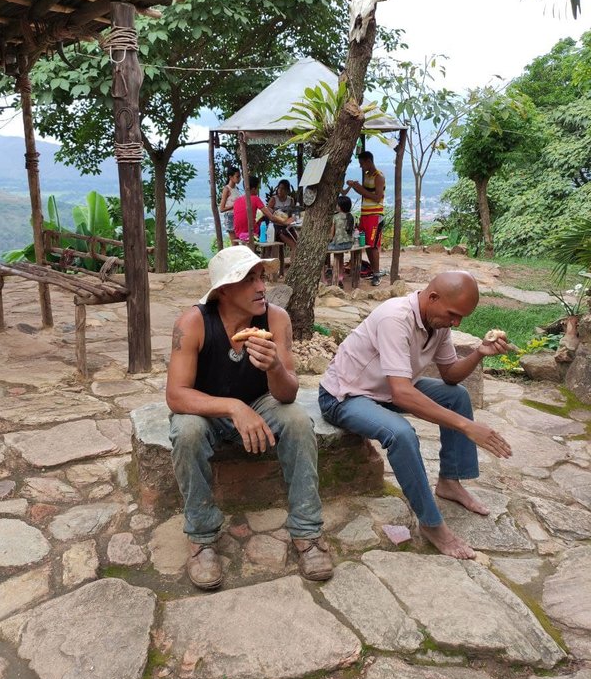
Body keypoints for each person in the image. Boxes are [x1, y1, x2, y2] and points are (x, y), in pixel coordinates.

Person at [166, 244, 334, 589]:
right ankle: (202, 537)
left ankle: (308, 532)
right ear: (224, 290)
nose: (261, 287)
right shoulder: (194, 323)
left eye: (261, 278)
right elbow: (176, 395)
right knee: (186, 430)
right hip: (209, 410)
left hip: (261, 403)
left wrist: (274, 367)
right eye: (249, 280)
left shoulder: (275, 319)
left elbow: (286, 394)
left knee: (299, 421)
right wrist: (232, 406)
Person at [318, 271, 513, 560]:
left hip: (388, 389)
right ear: (432, 297)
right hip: (345, 395)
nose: (456, 322)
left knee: (456, 396)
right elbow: (402, 394)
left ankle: (449, 481)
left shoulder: (438, 321)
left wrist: (479, 353)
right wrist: (467, 426)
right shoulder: (395, 318)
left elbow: (450, 375)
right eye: (453, 315)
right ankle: (431, 524)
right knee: (401, 433)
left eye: (461, 318)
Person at [344, 150, 386, 286]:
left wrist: (360, 189)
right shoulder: (368, 175)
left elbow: (377, 197)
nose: (361, 167)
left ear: (368, 161)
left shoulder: (379, 176)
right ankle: (374, 271)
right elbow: (366, 193)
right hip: (365, 215)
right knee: (366, 244)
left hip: (374, 215)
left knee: (373, 246)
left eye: (362, 164)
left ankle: (377, 273)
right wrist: (356, 187)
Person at [232, 175, 295, 243]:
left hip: (238, 233)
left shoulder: (237, 201)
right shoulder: (255, 198)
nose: (258, 190)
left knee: (263, 219)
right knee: (269, 221)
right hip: (252, 232)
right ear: (253, 189)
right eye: (258, 188)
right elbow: (271, 218)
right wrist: (285, 222)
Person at [268, 179, 299, 256]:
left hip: (287, 226)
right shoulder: (274, 199)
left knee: (298, 243)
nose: (280, 190)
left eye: (283, 189)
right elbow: (268, 211)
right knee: (293, 246)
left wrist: (292, 219)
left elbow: (292, 214)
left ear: (287, 190)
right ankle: (293, 266)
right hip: (277, 227)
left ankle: (285, 266)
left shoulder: (290, 200)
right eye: (279, 188)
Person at [218, 166, 242, 245]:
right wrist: (235, 206)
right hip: (230, 217)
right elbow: (221, 209)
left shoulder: (236, 189)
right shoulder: (227, 189)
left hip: (238, 216)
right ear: (231, 177)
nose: (239, 178)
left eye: (240, 176)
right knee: (235, 244)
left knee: (239, 242)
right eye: (237, 176)